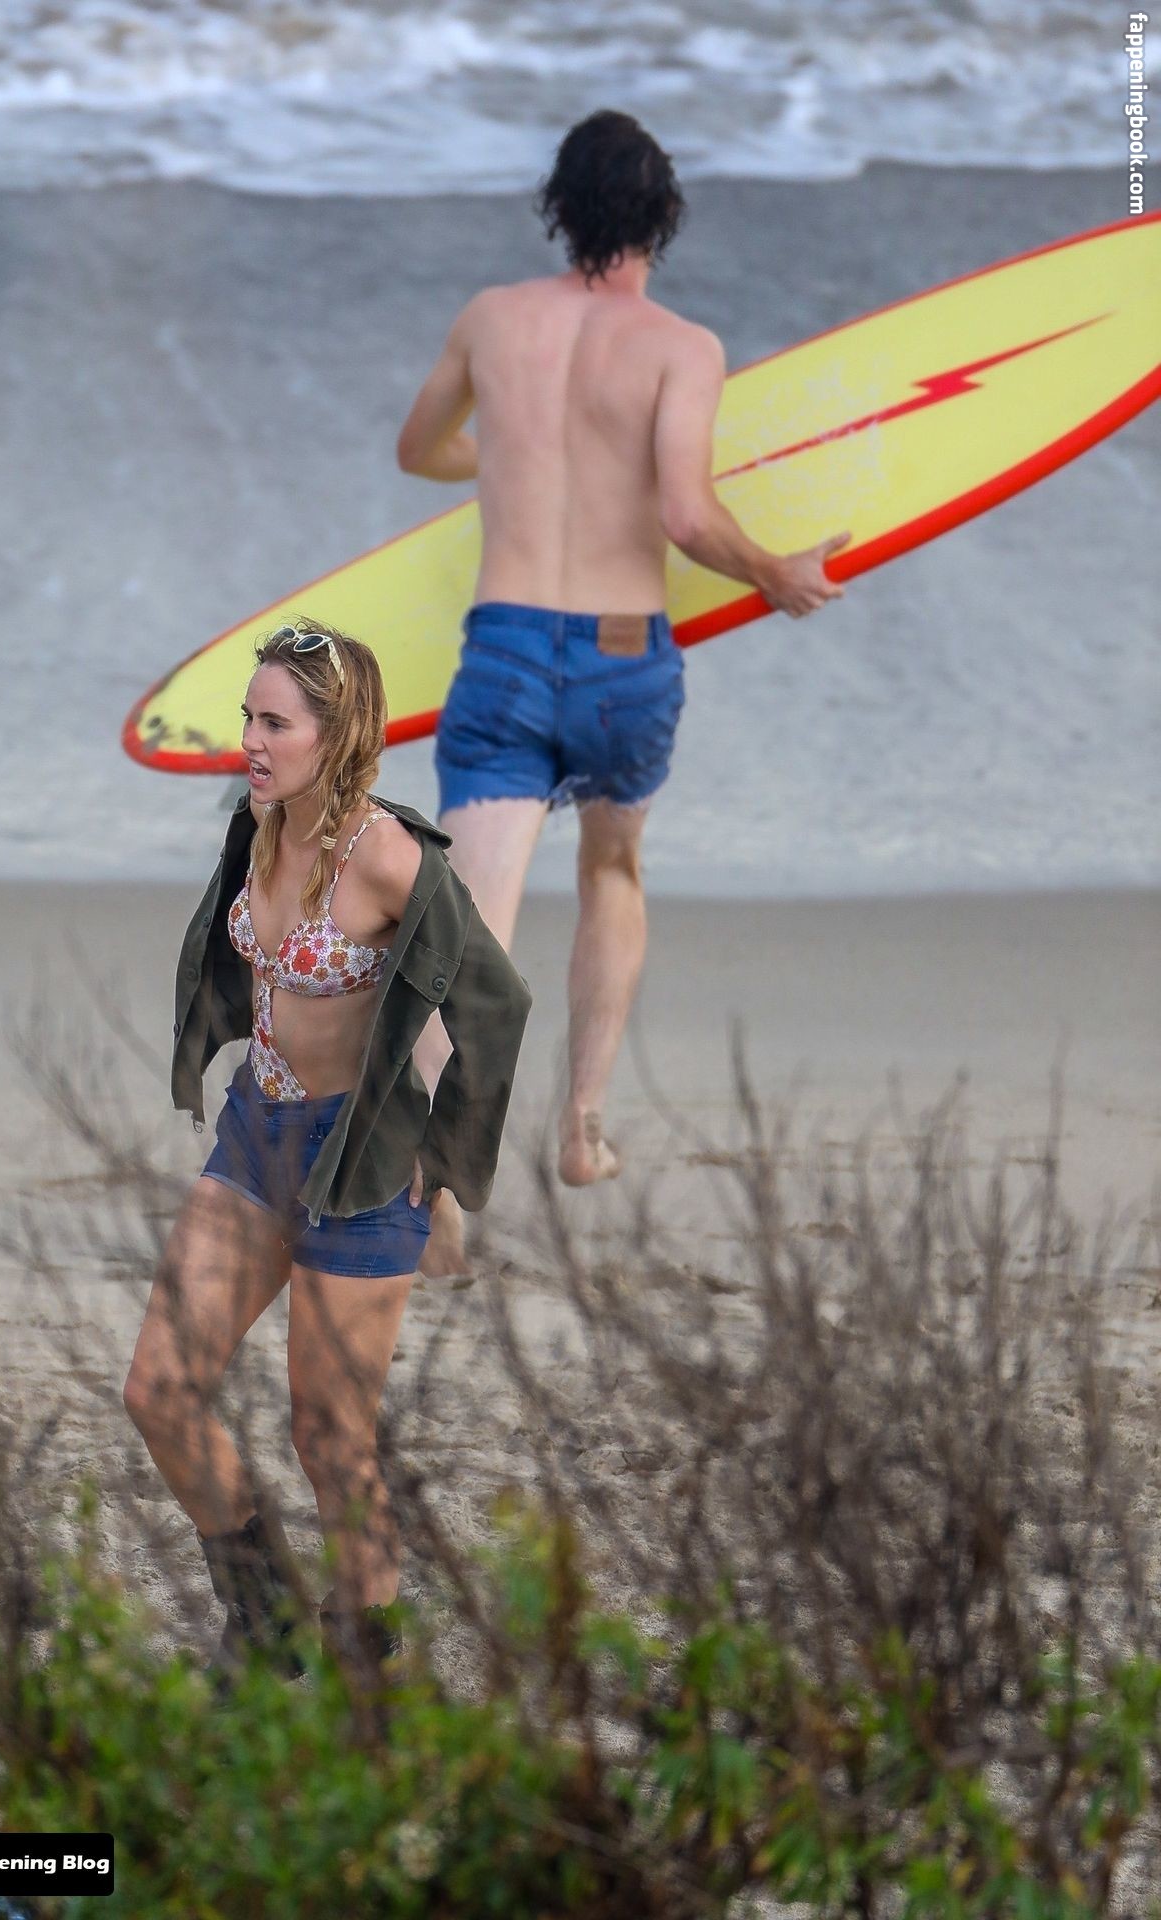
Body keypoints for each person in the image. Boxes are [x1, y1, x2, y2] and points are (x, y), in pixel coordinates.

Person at [396, 109, 851, 1277]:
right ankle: (582, 1129)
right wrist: (775, 572)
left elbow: (418, 449)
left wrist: (509, 459)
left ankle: (434, 1172)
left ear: (558, 209)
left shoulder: (490, 320)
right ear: (662, 218)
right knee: (610, 869)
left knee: (471, 925)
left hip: (503, 652)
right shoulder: (679, 348)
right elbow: (686, 514)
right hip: (619, 659)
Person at [123, 618, 531, 1689]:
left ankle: (366, 1670)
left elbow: (495, 1005)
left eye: (274, 724)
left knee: (330, 1440)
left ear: (337, 733)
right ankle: (263, 1620)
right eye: (247, 719)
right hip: (255, 1135)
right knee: (159, 1388)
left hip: (358, 1167)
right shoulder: (259, 825)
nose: (250, 742)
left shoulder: (392, 859)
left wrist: (443, 1157)